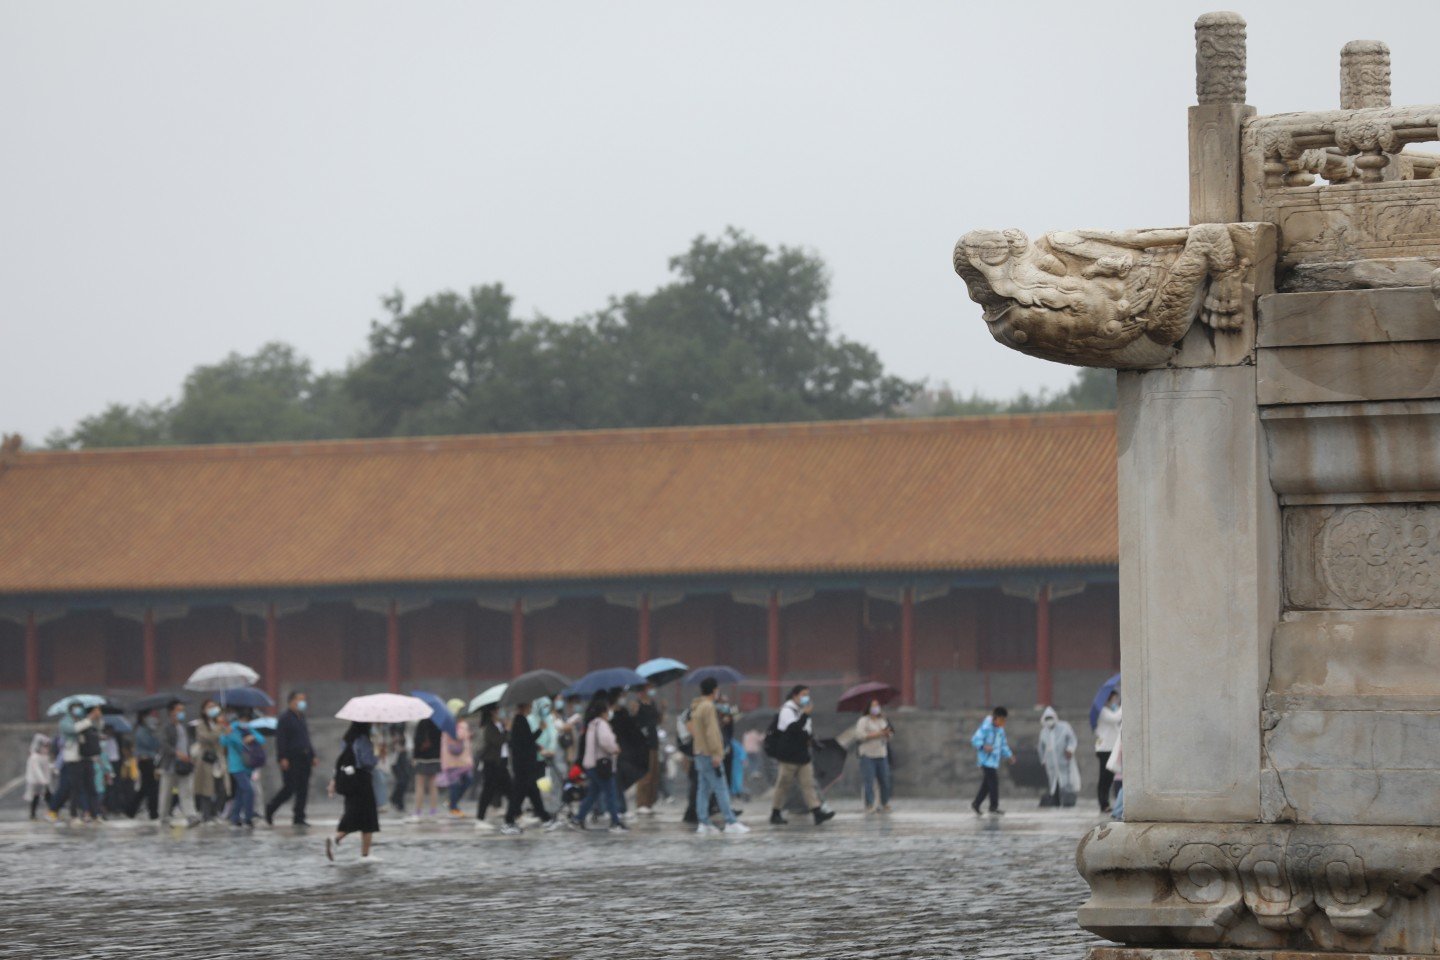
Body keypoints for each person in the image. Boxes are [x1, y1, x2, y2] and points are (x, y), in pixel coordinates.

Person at [689, 678, 748, 834]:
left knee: (703, 789)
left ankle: (704, 822)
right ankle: (730, 821)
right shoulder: (708, 707)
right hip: (709, 753)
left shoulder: (698, 706)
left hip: (699, 752)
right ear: (715, 690)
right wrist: (717, 753)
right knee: (721, 787)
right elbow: (712, 733)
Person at [769, 685, 834, 826]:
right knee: (783, 785)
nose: (806, 697)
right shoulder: (787, 710)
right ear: (795, 695)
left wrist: (812, 740)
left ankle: (817, 811)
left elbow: (805, 731)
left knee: (808, 784)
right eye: (803, 694)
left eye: (808, 694)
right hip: (788, 755)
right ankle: (775, 812)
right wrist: (805, 715)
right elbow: (793, 729)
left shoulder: (802, 711)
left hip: (803, 754)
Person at [502, 701, 561, 834]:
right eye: (529, 706)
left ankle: (546, 819)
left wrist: (536, 746)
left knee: (533, 793)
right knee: (519, 795)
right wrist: (540, 729)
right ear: (524, 706)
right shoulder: (520, 720)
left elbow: (524, 741)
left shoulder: (520, 720)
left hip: (524, 765)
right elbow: (525, 741)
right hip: (523, 765)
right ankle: (509, 821)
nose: (530, 709)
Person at [568, 696, 626, 832]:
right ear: (604, 712)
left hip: (591, 765)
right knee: (611, 793)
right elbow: (605, 741)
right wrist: (615, 748)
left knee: (592, 794)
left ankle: (578, 819)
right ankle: (615, 822)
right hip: (601, 766)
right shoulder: (602, 725)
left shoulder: (592, 724)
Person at [326, 722, 380, 862]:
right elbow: (368, 762)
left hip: (349, 781)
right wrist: (378, 753)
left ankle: (335, 839)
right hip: (362, 780)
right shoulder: (364, 740)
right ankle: (365, 855)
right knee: (368, 819)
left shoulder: (347, 739)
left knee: (353, 813)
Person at [265, 691, 316, 827]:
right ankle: (271, 808)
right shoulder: (285, 718)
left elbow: (306, 738)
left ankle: (299, 816)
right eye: (299, 699)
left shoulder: (301, 717)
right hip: (291, 758)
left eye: (303, 699)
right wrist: (282, 757)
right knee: (290, 787)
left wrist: (312, 755)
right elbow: (281, 740)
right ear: (291, 701)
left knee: (303, 788)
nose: (302, 702)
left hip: (304, 757)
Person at [157, 700, 198, 827]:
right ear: (171, 712)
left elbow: (188, 744)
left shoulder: (184, 727)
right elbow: (164, 745)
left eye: (182, 710)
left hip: (185, 765)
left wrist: (189, 756)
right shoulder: (166, 727)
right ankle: (164, 817)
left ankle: (191, 816)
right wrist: (177, 753)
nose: (181, 713)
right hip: (170, 765)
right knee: (166, 792)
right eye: (178, 710)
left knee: (186, 791)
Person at [219, 715, 265, 827]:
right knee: (248, 790)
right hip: (236, 767)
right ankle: (248, 817)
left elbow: (261, 739)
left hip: (248, 766)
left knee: (240, 793)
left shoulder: (248, 729)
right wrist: (227, 733)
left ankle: (235, 817)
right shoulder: (231, 730)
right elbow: (223, 742)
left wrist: (252, 737)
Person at [970, 706, 1015, 816]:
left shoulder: (1000, 730)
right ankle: (993, 807)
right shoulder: (985, 727)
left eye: (1004, 720)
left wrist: (1009, 755)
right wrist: (983, 746)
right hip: (985, 761)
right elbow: (975, 740)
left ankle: (976, 803)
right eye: (1000, 720)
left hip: (994, 761)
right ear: (995, 718)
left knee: (986, 785)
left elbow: (1003, 745)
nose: (1002, 722)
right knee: (993, 783)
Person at [474, 704, 511, 828]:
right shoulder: (489, 727)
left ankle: (516, 815)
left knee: (510, 789)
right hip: (491, 763)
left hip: (501, 762)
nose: (500, 712)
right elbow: (498, 741)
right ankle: (479, 819)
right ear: (492, 712)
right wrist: (506, 730)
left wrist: (505, 728)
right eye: (498, 710)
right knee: (488, 791)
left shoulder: (498, 725)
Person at [855, 699, 894, 813]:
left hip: (882, 754)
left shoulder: (882, 720)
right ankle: (870, 804)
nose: (876, 708)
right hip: (867, 755)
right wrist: (877, 734)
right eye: (873, 706)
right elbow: (859, 735)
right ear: (868, 708)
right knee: (869, 780)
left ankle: (885, 802)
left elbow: (890, 733)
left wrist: (887, 734)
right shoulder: (863, 721)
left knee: (885, 780)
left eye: (877, 705)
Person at [1037, 707, 1081, 808]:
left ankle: (1068, 801)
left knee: (1066, 782)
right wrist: (1043, 760)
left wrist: (1070, 749)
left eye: (1050, 718)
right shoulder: (1044, 732)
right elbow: (1041, 748)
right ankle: (1055, 800)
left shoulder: (1064, 727)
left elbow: (1072, 739)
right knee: (1053, 782)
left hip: (1064, 762)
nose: (1049, 721)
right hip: (1051, 764)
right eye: (1047, 718)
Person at [192, 700, 224, 822]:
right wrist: (218, 729)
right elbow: (207, 738)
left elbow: (225, 737)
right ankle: (206, 815)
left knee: (221, 788)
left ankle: (216, 812)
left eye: (214, 707)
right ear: (203, 710)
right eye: (209, 707)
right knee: (207, 788)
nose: (213, 709)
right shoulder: (201, 724)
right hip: (206, 759)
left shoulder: (220, 722)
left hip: (219, 759)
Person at [440, 705, 474, 818]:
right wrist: (464, 727)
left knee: (468, 780)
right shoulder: (450, 726)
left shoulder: (459, 725)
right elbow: (458, 736)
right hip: (452, 761)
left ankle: (452, 802)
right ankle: (453, 807)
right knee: (454, 785)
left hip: (463, 761)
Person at [633, 684, 662, 814]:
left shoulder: (653, 703)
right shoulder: (637, 704)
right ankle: (641, 802)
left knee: (655, 774)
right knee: (645, 774)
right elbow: (634, 722)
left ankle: (650, 801)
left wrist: (664, 709)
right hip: (643, 743)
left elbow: (658, 721)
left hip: (654, 741)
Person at [128, 709, 162, 820]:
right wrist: (154, 734)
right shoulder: (141, 731)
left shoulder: (148, 730)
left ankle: (131, 810)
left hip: (150, 759)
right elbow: (150, 744)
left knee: (145, 787)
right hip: (145, 761)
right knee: (151, 787)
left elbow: (157, 744)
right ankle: (152, 812)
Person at [409, 714, 442, 821]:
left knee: (419, 786)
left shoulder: (421, 723)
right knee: (433, 786)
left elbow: (416, 741)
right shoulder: (438, 723)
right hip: (435, 758)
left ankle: (418, 810)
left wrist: (414, 757)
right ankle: (433, 810)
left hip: (422, 758)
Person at [1095, 691, 1122, 814]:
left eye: (1117, 698)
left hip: (1111, 748)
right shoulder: (1103, 712)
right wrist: (1124, 707)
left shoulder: (1111, 712)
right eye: (1114, 698)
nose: (1116, 701)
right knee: (1104, 777)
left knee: (1110, 777)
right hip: (1104, 749)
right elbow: (1116, 718)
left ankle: (1107, 803)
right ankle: (1103, 803)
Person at [25, 733, 53, 820]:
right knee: (37, 797)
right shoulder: (35, 757)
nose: (46, 749)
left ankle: (52, 811)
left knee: (46, 796)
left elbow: (47, 768)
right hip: (36, 781)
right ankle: (51, 811)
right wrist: (43, 780)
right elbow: (37, 770)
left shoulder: (44, 757)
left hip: (43, 781)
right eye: (45, 746)